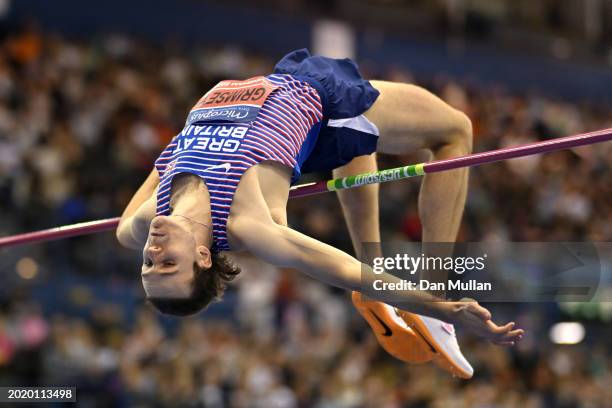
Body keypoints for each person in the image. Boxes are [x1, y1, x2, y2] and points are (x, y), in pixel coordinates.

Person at [116, 49, 523, 379]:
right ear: (203, 257)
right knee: (455, 130)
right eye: (169, 262)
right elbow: (345, 272)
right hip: (318, 96)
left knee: (356, 145)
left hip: (278, 98)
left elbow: (128, 221)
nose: (153, 249)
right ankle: (436, 291)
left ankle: (380, 262)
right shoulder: (247, 221)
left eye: (148, 263)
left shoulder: (145, 219)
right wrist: (443, 308)